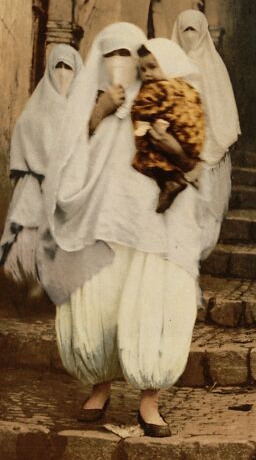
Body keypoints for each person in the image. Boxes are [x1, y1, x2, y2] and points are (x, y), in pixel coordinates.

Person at [43, 23, 204, 438]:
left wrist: (167, 145)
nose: (120, 64)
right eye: (110, 55)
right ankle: (100, 386)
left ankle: (149, 400)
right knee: (103, 302)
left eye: (127, 55)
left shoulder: (161, 95)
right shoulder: (88, 105)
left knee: (153, 298)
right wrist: (98, 112)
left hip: (153, 223)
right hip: (103, 222)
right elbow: (65, 159)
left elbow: (189, 156)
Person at [1, 44, 83, 294]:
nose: (62, 73)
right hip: (35, 188)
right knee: (28, 237)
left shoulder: (81, 113)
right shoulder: (34, 111)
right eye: (57, 66)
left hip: (69, 188)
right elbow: (25, 145)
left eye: (67, 67)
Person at [172, 10, 241, 258]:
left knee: (206, 212)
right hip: (177, 149)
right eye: (185, 30)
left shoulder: (214, 67)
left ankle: (195, 261)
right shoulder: (171, 66)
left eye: (194, 30)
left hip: (209, 149)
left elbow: (223, 109)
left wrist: (212, 142)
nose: (189, 36)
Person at [132, 39, 206, 213]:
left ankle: (170, 182)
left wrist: (141, 129)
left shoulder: (156, 88)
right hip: (192, 140)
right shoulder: (188, 87)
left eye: (152, 67)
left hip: (171, 136)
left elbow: (141, 110)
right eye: (142, 69)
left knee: (148, 157)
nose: (147, 74)